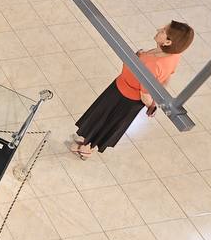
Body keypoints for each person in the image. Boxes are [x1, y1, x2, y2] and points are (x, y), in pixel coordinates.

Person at [72, 21, 194, 158]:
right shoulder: (173, 55)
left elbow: (145, 95)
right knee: (104, 118)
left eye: (163, 31)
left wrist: (152, 106)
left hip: (124, 98)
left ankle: (87, 148)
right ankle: (87, 141)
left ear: (167, 42)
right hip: (122, 90)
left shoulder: (153, 65)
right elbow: (166, 78)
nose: (158, 29)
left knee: (104, 119)